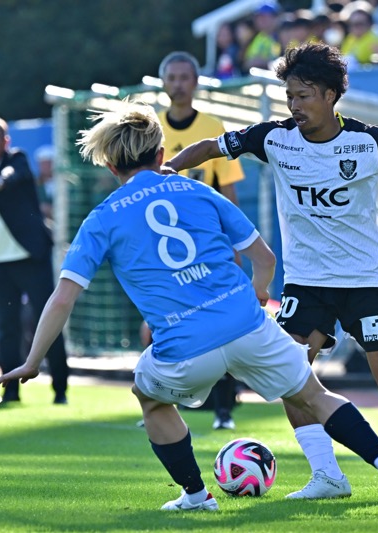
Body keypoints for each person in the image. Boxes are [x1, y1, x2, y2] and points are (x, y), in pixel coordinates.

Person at [0, 101, 378, 511]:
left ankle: (196, 495)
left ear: (110, 165)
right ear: (162, 152)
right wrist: (258, 298)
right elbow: (264, 260)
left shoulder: (102, 217)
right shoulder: (198, 192)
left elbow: (63, 297)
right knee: (314, 396)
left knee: (148, 398)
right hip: (248, 326)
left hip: (185, 348)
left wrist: (33, 362)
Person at [163, 42, 378, 499]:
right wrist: (170, 167)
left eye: (304, 95)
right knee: (292, 377)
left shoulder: (367, 143)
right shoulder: (274, 138)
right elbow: (212, 146)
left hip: (365, 281)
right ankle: (327, 475)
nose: (294, 106)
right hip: (307, 283)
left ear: (331, 95)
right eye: (289, 95)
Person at [157, 51, 247, 430]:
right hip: (163, 244)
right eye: (172, 77)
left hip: (207, 246)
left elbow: (227, 191)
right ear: (163, 83)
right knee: (163, 322)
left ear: (195, 83)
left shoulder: (213, 125)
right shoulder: (151, 128)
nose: (178, 84)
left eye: (184, 77)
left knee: (218, 320)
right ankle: (159, 406)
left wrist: (236, 242)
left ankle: (223, 409)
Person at [0, 116, 69, 405]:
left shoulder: (17, 160)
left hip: (32, 257)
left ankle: (60, 390)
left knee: (49, 322)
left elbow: (12, 173)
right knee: (7, 327)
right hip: (0, 262)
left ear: (5, 141)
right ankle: (11, 391)